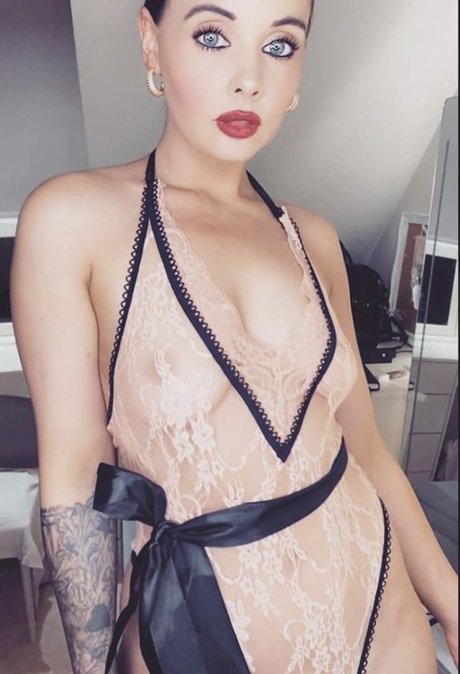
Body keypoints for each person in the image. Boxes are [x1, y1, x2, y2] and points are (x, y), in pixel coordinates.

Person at [10, 1, 458, 673]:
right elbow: (76, 485)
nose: (249, 79)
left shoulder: (315, 238)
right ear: (151, 42)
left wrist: (451, 599)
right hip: (201, 632)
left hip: (379, 612)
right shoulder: (74, 220)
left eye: (279, 46)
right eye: (213, 35)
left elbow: (366, 450)